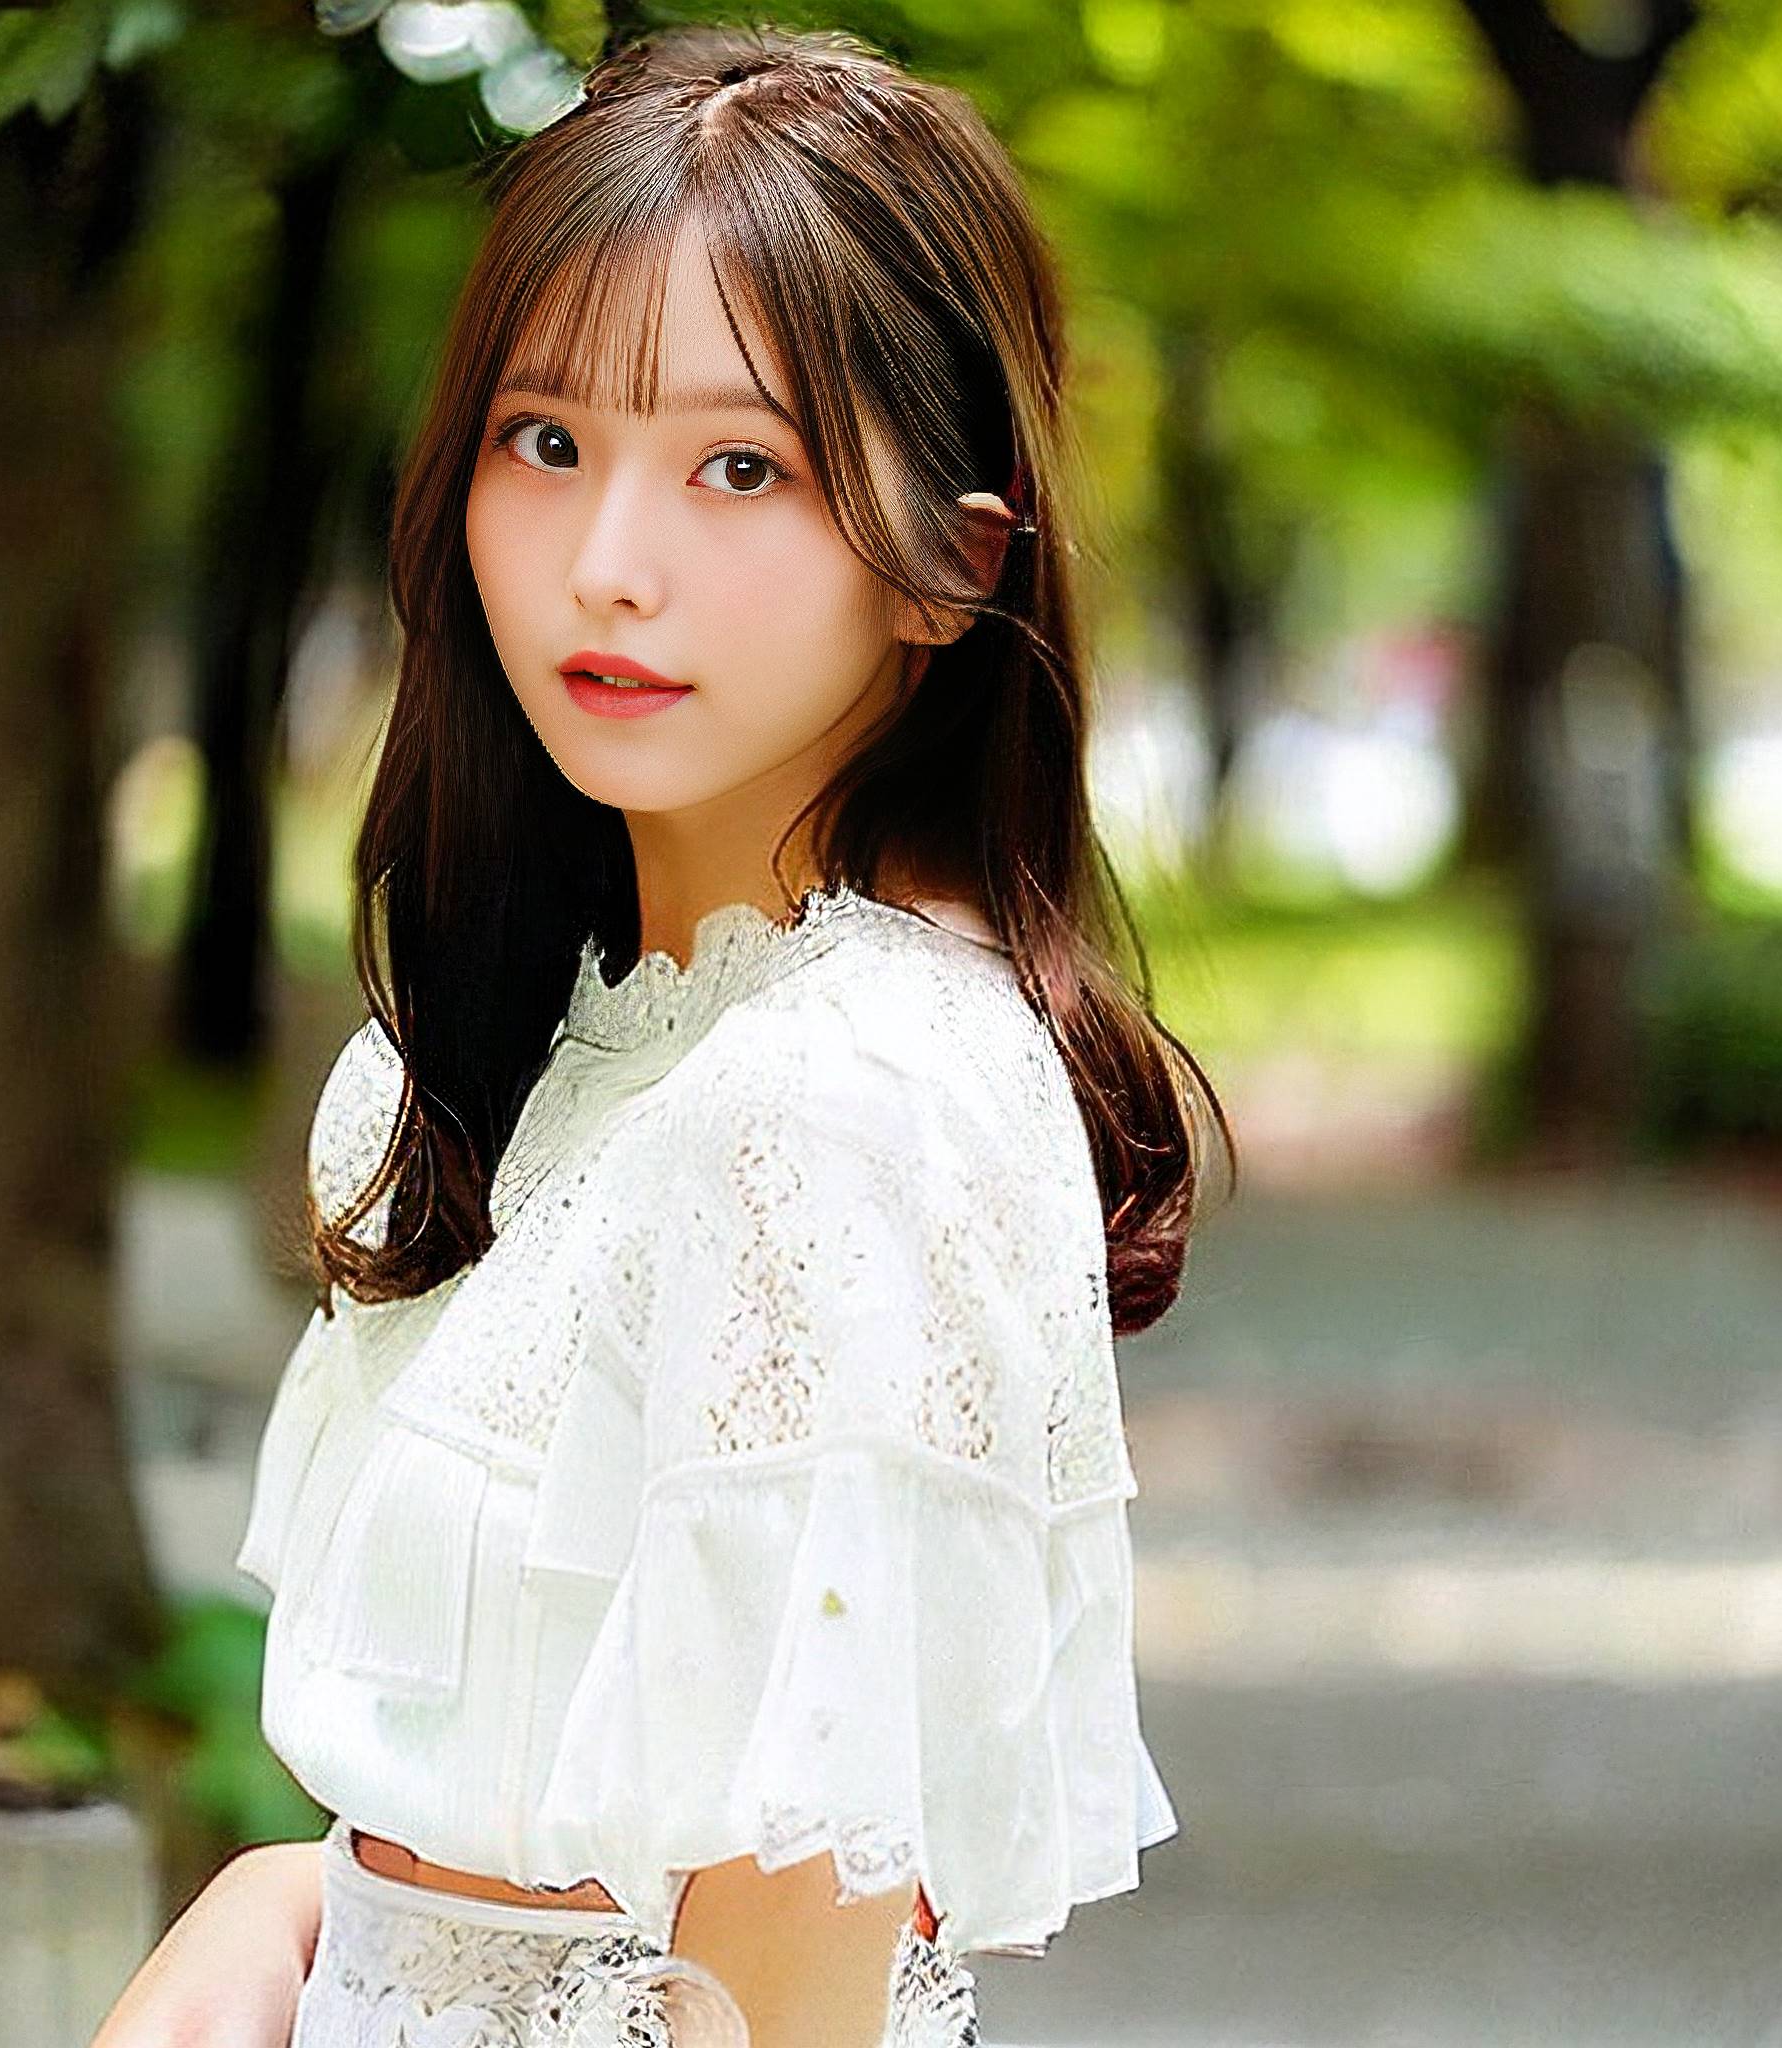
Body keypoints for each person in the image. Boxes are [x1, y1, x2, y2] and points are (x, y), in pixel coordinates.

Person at [94, 20, 1232, 2047]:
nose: (608, 565)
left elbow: (781, 2002)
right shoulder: (552, 1056)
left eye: (740, 466)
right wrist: (288, 1910)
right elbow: (510, 1865)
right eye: (547, 441)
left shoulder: (842, 1101)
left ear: (949, 569)